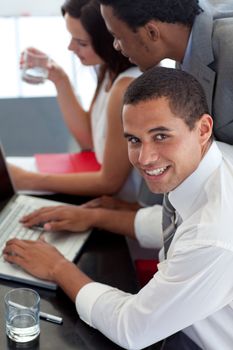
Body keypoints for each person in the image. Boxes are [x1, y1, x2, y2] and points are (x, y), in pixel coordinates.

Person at [4, 67, 233, 350]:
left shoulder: (214, 234)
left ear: (203, 128)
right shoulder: (214, 160)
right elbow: (176, 223)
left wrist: (57, 267)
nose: (145, 158)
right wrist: (95, 217)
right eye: (134, 139)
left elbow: (132, 328)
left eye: (161, 136)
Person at [9, 0, 141, 202]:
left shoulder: (125, 87)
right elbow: (90, 140)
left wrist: (27, 179)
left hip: (119, 209)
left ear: (111, 40)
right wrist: (59, 78)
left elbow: (109, 183)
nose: (70, 47)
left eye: (81, 43)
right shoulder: (108, 70)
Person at [99, 0, 233, 144]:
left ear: (151, 32)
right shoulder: (185, 52)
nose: (116, 46)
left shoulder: (229, 49)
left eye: (118, 37)